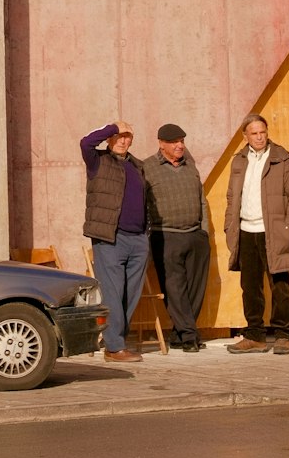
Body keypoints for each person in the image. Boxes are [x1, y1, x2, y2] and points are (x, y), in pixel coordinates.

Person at [223, 113, 289, 356]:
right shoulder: (238, 160)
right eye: (254, 133)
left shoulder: (284, 160)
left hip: (274, 232)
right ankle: (255, 336)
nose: (259, 137)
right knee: (250, 287)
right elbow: (231, 197)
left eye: (262, 132)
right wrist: (230, 227)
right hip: (246, 231)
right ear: (245, 136)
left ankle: (283, 335)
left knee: (279, 286)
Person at [80, 119, 149, 363]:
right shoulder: (97, 160)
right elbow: (86, 142)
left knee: (131, 294)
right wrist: (113, 126)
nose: (122, 140)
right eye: (118, 136)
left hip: (138, 239)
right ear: (110, 138)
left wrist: (145, 235)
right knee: (112, 292)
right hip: (110, 238)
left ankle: (116, 339)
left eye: (127, 136)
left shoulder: (138, 166)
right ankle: (114, 347)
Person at [141, 123, 210, 353]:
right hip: (166, 236)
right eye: (174, 142)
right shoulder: (147, 168)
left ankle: (180, 333)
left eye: (182, 141)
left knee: (195, 289)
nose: (180, 145)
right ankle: (190, 335)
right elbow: (142, 204)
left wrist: (205, 231)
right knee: (175, 289)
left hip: (195, 235)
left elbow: (202, 199)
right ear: (161, 144)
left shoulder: (190, 166)